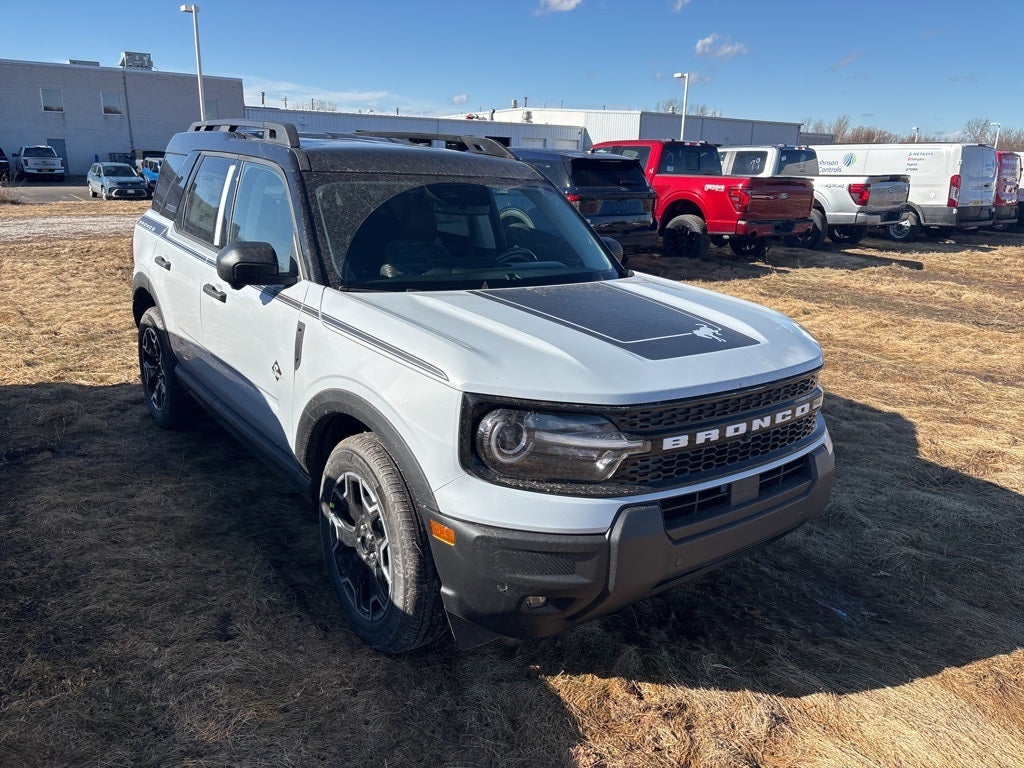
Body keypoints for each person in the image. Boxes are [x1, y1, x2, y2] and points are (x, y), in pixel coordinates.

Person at [380, 196, 452, 278]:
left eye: (428, 219)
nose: (425, 224)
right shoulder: (394, 249)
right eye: (418, 219)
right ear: (404, 222)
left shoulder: (443, 246)